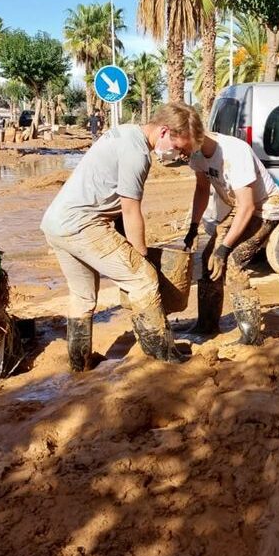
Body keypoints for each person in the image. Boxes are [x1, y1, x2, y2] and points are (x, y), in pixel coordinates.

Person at [40, 102, 204, 371]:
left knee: (82, 298)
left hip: (56, 223)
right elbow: (129, 210)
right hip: (83, 223)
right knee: (144, 280)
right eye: (179, 148)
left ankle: (79, 366)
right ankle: (163, 359)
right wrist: (142, 258)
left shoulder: (126, 131)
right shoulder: (138, 152)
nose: (179, 156)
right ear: (164, 132)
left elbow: (112, 201)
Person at [181, 131, 279, 346]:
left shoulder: (234, 152)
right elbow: (202, 189)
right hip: (238, 207)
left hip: (265, 208)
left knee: (233, 261)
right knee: (208, 258)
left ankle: (251, 335)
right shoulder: (196, 153)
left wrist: (225, 247)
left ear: (191, 134)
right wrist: (193, 226)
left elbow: (248, 206)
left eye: (179, 145)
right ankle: (207, 324)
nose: (178, 153)